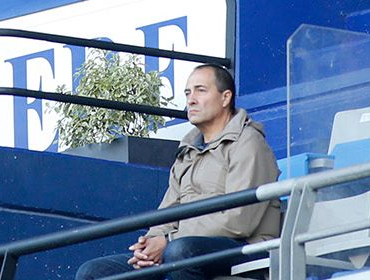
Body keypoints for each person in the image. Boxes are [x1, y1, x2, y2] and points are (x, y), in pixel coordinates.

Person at [73, 65, 280, 279]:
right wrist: (151, 243)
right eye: (188, 93)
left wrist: (169, 240)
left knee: (181, 252)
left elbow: (239, 220)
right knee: (94, 273)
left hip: (247, 250)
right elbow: (168, 212)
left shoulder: (248, 142)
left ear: (226, 97)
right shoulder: (187, 151)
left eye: (200, 90)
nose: (191, 100)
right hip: (182, 246)